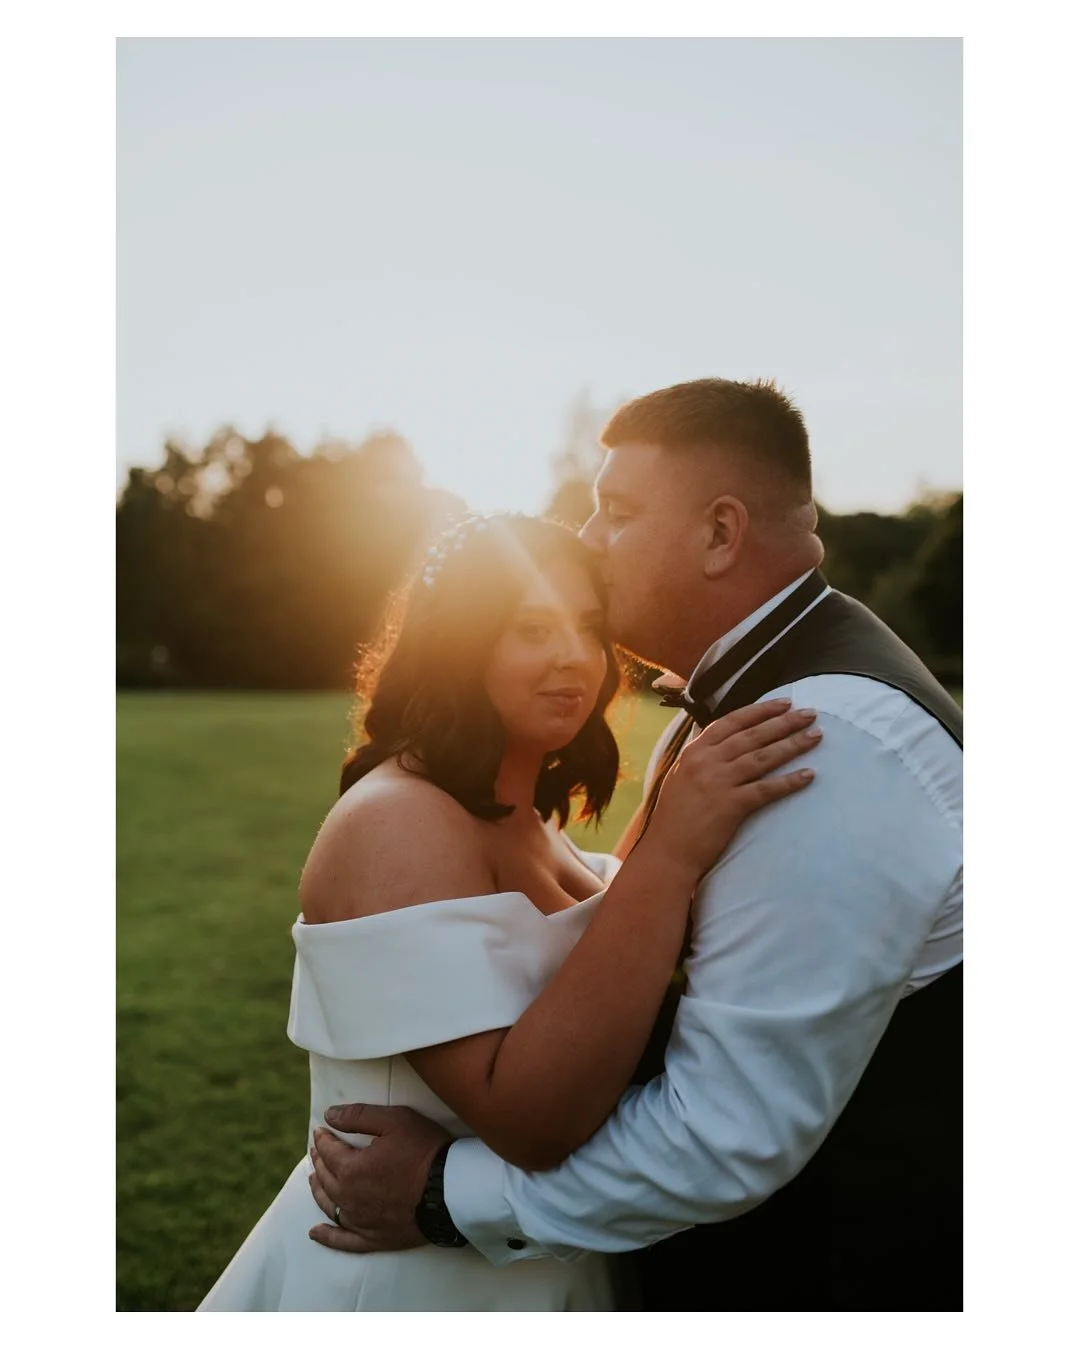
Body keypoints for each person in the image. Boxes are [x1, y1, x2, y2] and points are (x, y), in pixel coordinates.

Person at [305, 378, 963, 1312]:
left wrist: (444, 1193)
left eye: (614, 512)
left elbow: (725, 1130)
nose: (586, 543)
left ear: (720, 533)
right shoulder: (739, 712)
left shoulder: (822, 738)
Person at [197, 511, 820, 1311]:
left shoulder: (528, 819)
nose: (574, 656)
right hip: (412, 1284)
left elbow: (615, 959)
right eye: (532, 628)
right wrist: (670, 853)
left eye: (588, 628)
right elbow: (529, 1122)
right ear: (461, 643)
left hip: (530, 1258)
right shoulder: (396, 823)